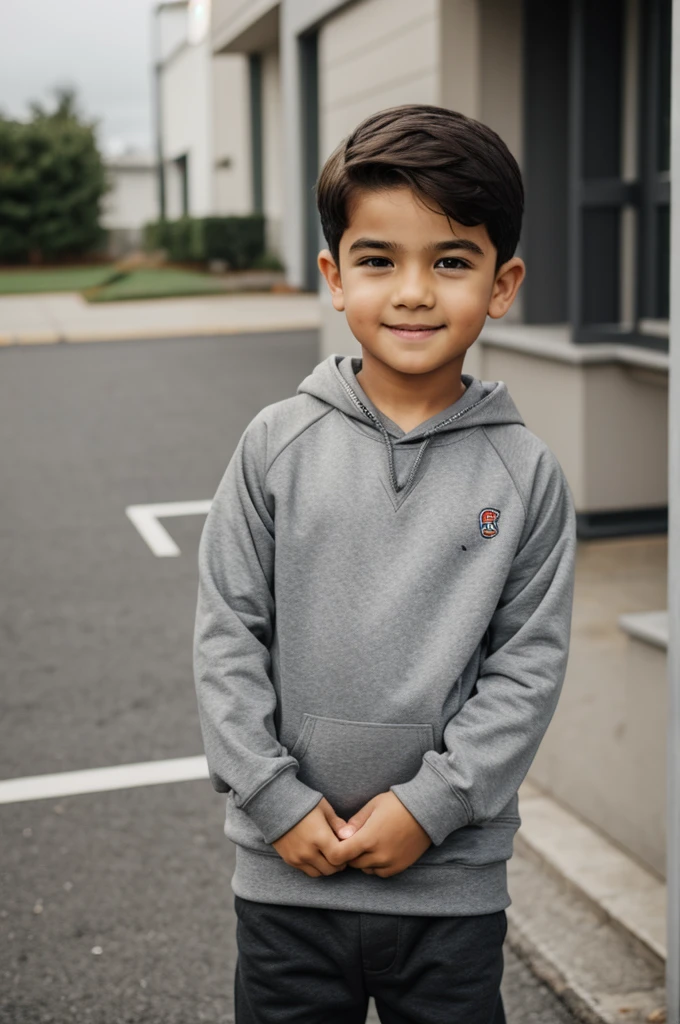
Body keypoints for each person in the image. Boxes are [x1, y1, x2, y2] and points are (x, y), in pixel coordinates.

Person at [193, 103, 577, 1024]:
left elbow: (526, 670)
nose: (412, 291)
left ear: (503, 282)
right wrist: (273, 798)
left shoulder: (525, 473)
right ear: (333, 275)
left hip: (450, 889)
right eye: (379, 260)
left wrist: (435, 805)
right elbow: (227, 633)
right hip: (289, 883)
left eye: (450, 260)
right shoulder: (275, 445)